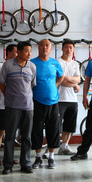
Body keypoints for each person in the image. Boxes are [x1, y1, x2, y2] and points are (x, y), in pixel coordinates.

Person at [0, 41, 37, 174]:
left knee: (26, 137)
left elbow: (32, 85)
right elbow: (1, 84)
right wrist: (10, 97)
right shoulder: (8, 65)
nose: (29, 54)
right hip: (12, 106)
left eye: (30, 51)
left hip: (28, 107)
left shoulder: (32, 66)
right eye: (26, 51)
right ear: (18, 52)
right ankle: (7, 165)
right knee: (10, 136)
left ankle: (25, 163)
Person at [30, 39, 64, 169]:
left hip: (53, 102)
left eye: (47, 45)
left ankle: (51, 157)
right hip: (37, 101)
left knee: (53, 130)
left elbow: (61, 76)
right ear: (38, 47)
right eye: (41, 45)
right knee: (36, 130)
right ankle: (38, 157)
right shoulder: (32, 63)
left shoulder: (55, 63)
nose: (44, 47)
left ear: (50, 48)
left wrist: (55, 85)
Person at [0, 44, 17, 165]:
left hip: (14, 105)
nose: (18, 54)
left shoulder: (17, 66)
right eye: (16, 51)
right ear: (9, 52)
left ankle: (9, 157)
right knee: (1, 131)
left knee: (11, 132)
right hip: (1, 105)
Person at [57, 39, 80, 155]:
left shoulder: (75, 64)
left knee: (69, 126)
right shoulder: (57, 62)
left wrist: (67, 79)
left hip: (73, 100)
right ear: (62, 48)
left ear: (73, 49)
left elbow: (78, 79)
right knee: (56, 125)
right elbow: (58, 80)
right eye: (66, 47)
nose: (68, 49)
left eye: (71, 47)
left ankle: (64, 146)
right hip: (59, 99)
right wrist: (74, 83)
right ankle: (50, 148)